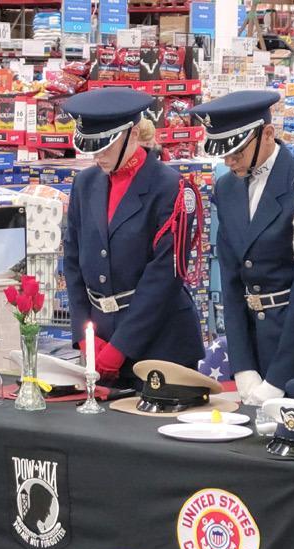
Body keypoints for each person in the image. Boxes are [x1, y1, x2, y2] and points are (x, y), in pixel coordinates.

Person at [189, 91, 294, 406]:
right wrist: (243, 364)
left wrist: (279, 377)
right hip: (255, 347)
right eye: (225, 154)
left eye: (237, 153)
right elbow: (231, 280)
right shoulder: (226, 187)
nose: (229, 162)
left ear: (268, 134)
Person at [61, 88, 204, 385]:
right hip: (100, 335)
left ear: (134, 133)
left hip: (160, 341)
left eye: (106, 146)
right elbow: (73, 260)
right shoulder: (85, 184)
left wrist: (121, 346)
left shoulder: (170, 187)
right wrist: (84, 333)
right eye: (92, 147)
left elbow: (165, 275)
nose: (98, 155)